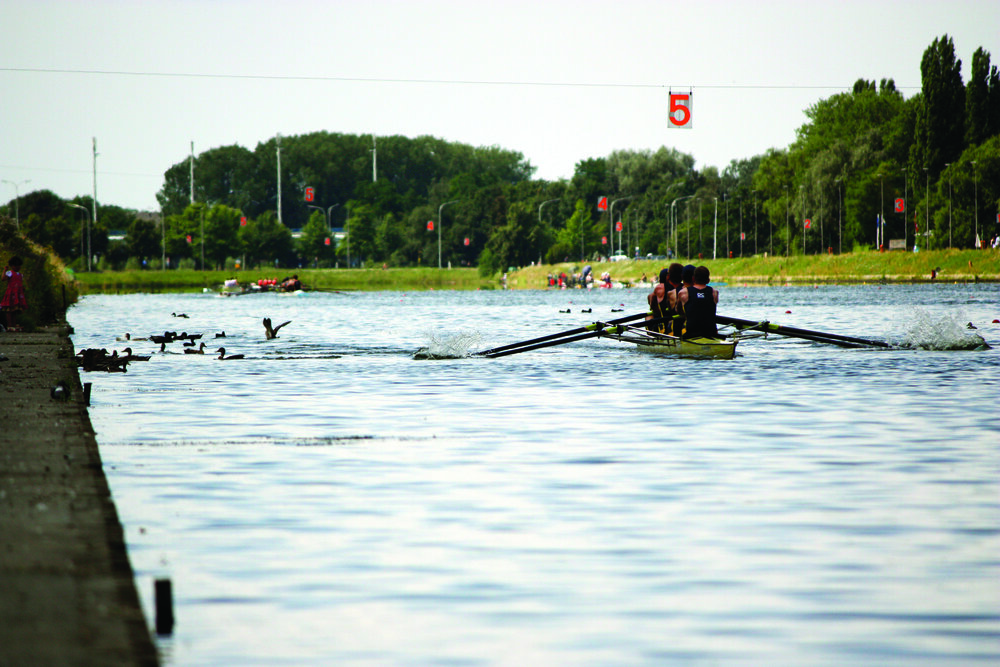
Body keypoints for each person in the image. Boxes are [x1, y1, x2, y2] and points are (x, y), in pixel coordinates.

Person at [676, 265, 720, 340]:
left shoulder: (683, 293)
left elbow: (678, 311)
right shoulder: (714, 293)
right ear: (708, 280)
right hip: (711, 333)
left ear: (693, 279)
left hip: (691, 333)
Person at [1, 256, 27, 332]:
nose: (17, 267)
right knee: (9, 310)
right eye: (15, 265)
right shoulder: (10, 273)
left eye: (19, 265)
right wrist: (4, 270)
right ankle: (9, 325)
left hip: (17, 295)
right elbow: (3, 279)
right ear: (12, 266)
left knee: (15, 310)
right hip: (11, 294)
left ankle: (14, 325)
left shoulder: (20, 275)